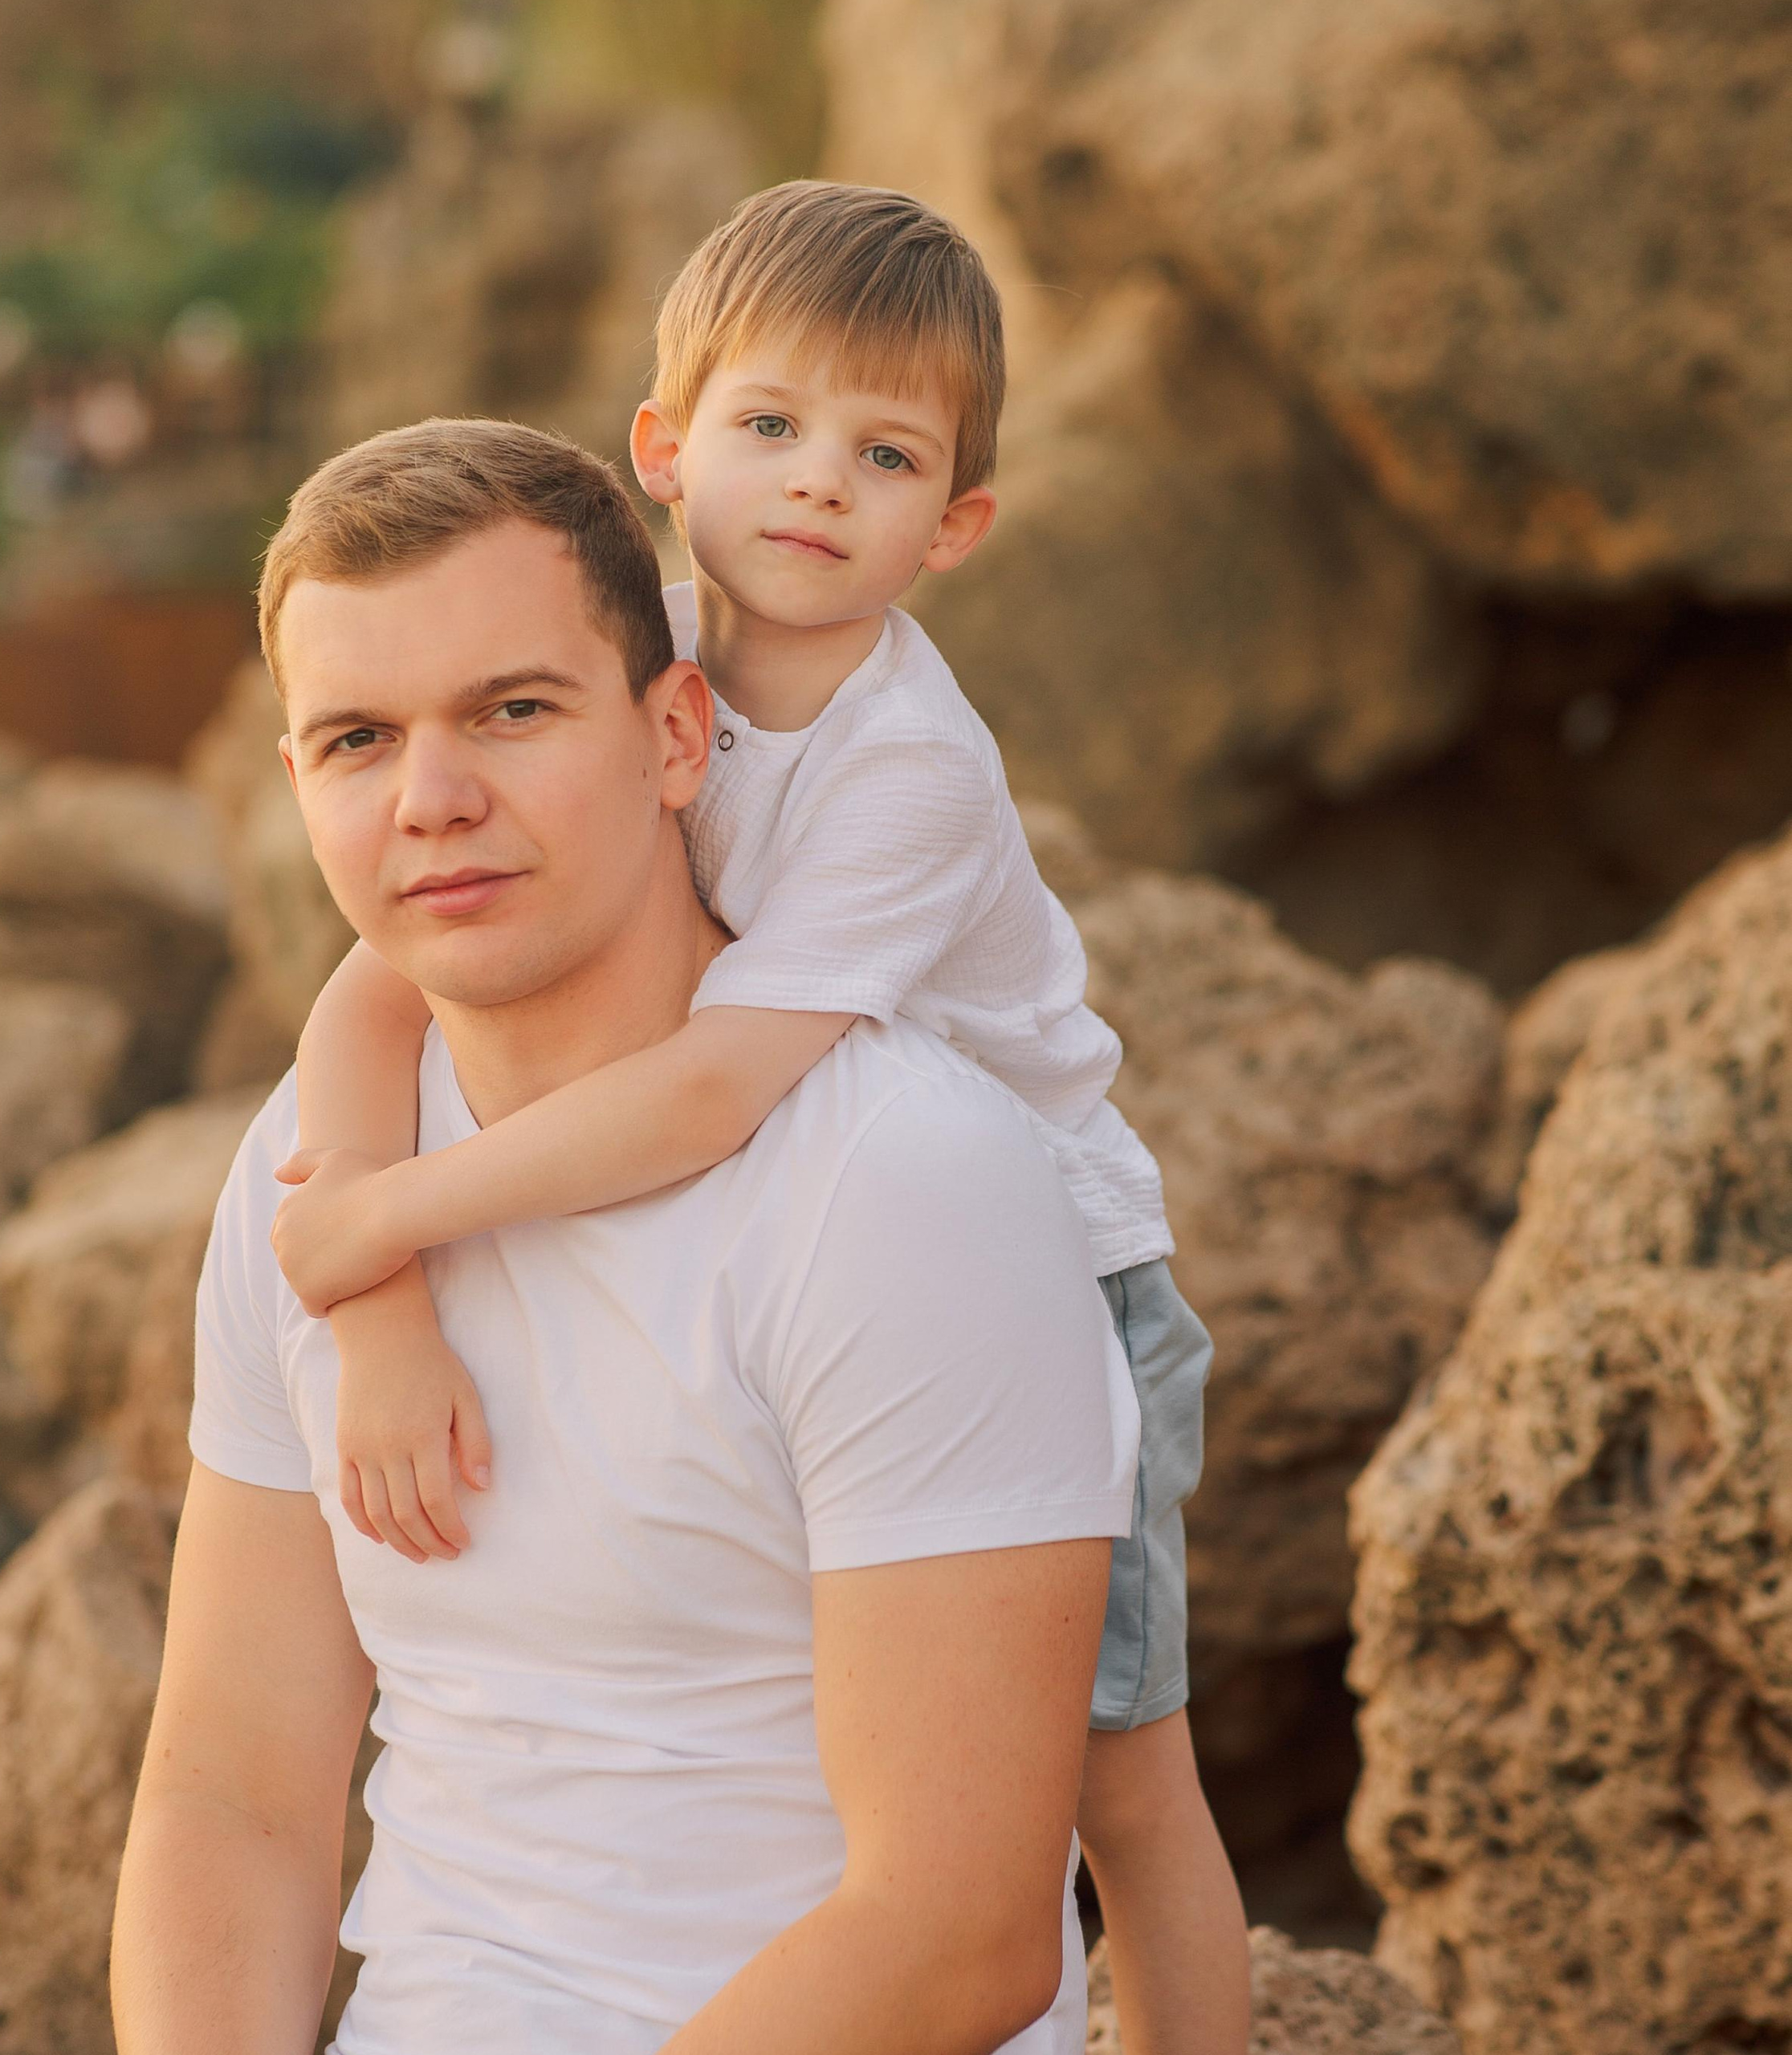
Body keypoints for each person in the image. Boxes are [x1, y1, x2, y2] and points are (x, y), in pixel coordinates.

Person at [270, 182, 1249, 2053]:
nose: (812, 486)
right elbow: (385, 968)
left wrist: (391, 1213)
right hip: (800, 1240)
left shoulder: (907, 772)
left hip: (1043, 1263)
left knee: (1121, 1779)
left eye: (882, 456)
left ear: (953, 523)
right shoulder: (645, 673)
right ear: (666, 449)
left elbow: (720, 1089)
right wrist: (369, 1283)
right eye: (769, 428)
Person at [111, 417, 1140, 2053]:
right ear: (297, 781)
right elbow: (235, 1791)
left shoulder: (900, 1182)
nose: (433, 800)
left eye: (510, 712)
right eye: (360, 738)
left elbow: (956, 1928)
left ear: (676, 736)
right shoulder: (309, 1175)